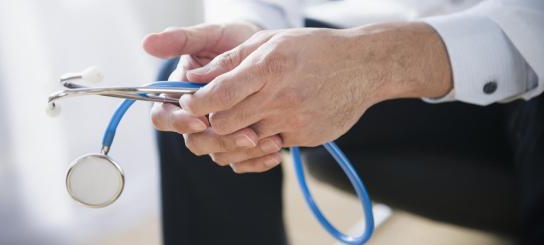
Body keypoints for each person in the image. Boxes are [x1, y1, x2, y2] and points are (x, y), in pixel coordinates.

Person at [142, 0, 544, 244]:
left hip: (524, 59)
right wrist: (250, 31)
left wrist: (374, 62)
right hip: (397, 29)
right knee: (201, 92)